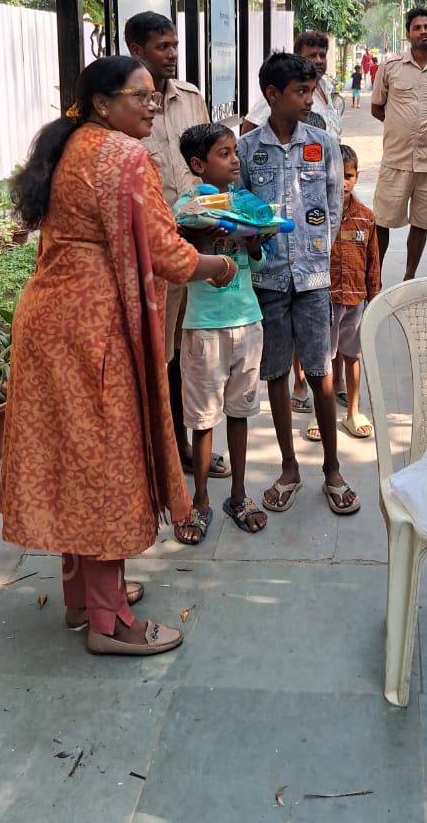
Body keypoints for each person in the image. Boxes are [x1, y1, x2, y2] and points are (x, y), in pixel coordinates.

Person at [1, 57, 238, 657]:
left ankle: (85, 598)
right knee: (107, 468)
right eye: (141, 96)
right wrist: (217, 264)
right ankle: (110, 624)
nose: (152, 106)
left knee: (77, 462)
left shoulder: (71, 144)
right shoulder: (124, 155)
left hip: (49, 322)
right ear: (103, 103)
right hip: (93, 330)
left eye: (154, 96)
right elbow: (165, 251)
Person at [237, 51, 359, 516]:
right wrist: (254, 247)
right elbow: (242, 208)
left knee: (321, 371)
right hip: (267, 280)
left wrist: (317, 255)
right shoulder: (247, 149)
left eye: (311, 91)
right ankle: (289, 467)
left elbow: (333, 205)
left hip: (312, 280)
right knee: (276, 374)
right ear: (273, 95)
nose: (310, 100)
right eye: (300, 92)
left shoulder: (324, 144)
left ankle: (332, 468)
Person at [123, 11, 230, 483]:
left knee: (193, 350)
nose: (171, 54)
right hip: (154, 254)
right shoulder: (126, 109)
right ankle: (168, 448)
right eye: (161, 46)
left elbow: (210, 165)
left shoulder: (191, 98)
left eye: (174, 45)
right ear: (137, 50)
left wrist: (223, 218)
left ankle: (186, 444)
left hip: (198, 245)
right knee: (160, 354)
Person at [173, 122, 268, 541]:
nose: (235, 160)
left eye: (235, 152)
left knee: (240, 413)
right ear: (199, 164)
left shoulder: (245, 204)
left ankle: (239, 494)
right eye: (224, 153)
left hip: (247, 321)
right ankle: (200, 502)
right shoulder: (186, 208)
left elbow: (261, 262)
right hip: (204, 329)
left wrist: (253, 242)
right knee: (203, 419)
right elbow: (178, 260)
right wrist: (197, 237)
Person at [371, 6, 427, 280]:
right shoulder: (390, 68)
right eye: (417, 28)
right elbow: (377, 108)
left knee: (421, 221)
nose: (423, 32)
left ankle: (409, 277)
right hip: (395, 159)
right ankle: (375, 279)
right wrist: (400, 129)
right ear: (408, 35)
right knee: (382, 219)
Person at [329, 144, 380, 439]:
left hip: (355, 300)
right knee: (324, 359)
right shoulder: (318, 216)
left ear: (357, 176)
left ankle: (353, 411)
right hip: (325, 299)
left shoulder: (366, 217)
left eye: (348, 176)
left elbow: (373, 261)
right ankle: (322, 415)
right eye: (337, 176)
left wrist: (374, 298)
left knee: (352, 355)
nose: (343, 183)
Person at [241, 30, 342, 140]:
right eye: (312, 55)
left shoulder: (326, 88)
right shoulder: (284, 92)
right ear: (298, 58)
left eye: (322, 55)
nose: (319, 61)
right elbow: (251, 124)